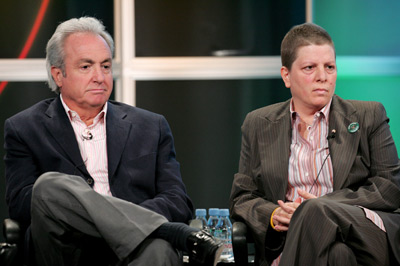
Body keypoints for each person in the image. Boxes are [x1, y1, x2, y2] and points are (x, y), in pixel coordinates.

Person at [4, 17, 223, 266]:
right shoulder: (24, 127)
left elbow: (177, 200)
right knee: (47, 186)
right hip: (65, 247)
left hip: (135, 250)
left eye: (105, 66)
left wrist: (115, 219)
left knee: (160, 251)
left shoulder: (150, 126)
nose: (99, 76)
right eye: (86, 67)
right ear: (58, 75)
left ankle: (150, 233)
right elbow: (21, 206)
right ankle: (165, 231)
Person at [230, 23, 400, 266]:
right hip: (295, 241)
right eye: (310, 67)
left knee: (313, 212)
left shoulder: (368, 115)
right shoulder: (259, 123)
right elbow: (242, 197)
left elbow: (389, 188)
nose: (323, 76)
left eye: (329, 67)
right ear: (286, 76)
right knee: (337, 256)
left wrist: (320, 206)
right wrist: (274, 215)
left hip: (362, 235)